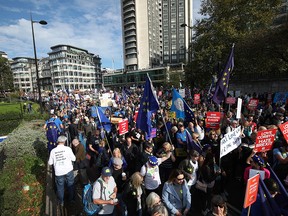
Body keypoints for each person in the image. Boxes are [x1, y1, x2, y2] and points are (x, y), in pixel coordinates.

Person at [48, 136, 76, 206]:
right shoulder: (68, 149)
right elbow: (74, 159)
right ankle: (71, 199)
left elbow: (50, 163)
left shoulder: (53, 151)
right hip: (68, 170)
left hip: (59, 172)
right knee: (70, 185)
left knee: (60, 187)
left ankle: (61, 201)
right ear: (64, 142)